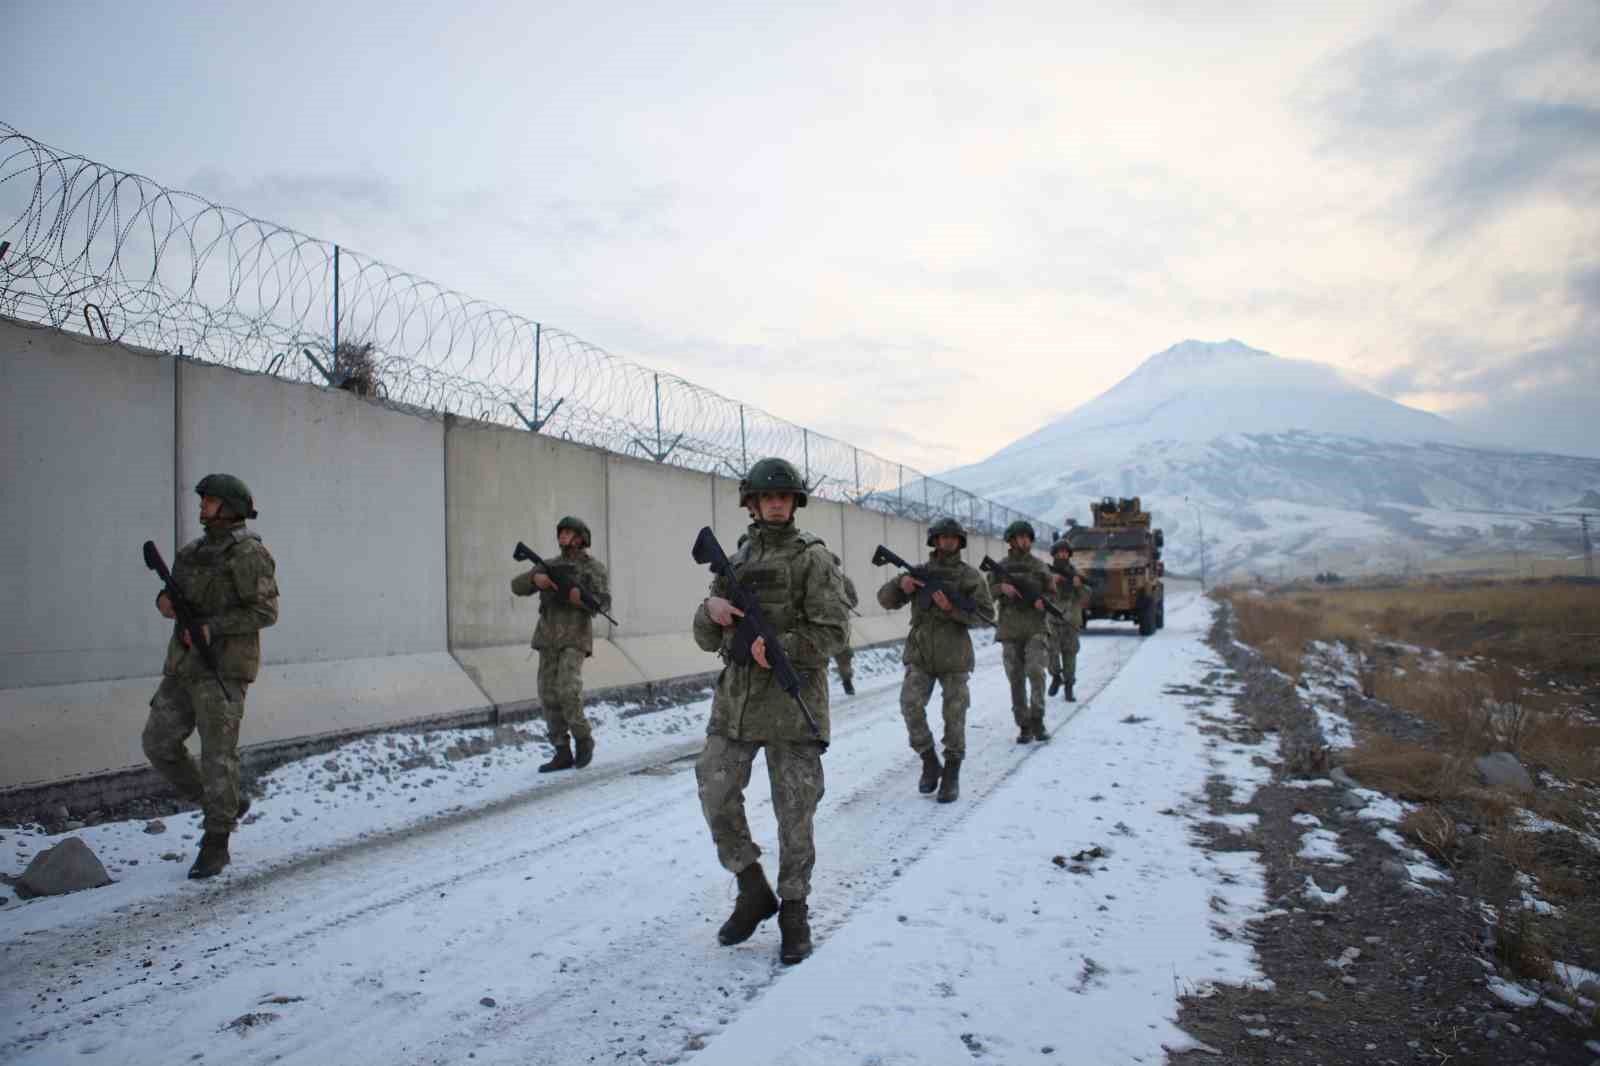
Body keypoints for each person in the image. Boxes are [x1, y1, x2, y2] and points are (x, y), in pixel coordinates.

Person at [692, 458, 848, 965]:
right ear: (752, 503)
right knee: (715, 791)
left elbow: (833, 633)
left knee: (795, 812)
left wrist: (782, 645)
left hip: (791, 707)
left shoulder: (814, 559)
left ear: (795, 503)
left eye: (785, 497)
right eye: (767, 497)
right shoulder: (733, 560)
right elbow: (705, 636)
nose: (777, 503)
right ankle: (752, 886)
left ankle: (794, 908)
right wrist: (709, 611)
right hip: (736, 705)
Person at [143, 474, 278, 879]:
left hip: (223, 669)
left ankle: (216, 841)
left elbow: (265, 612)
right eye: (203, 500)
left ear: (232, 508)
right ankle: (225, 802)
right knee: (158, 743)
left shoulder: (250, 554)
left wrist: (212, 627)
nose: (203, 506)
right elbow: (175, 597)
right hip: (184, 665)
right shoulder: (191, 553)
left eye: (212, 501)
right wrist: (164, 601)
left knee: (219, 756)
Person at [877, 517, 993, 803]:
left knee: (955, 716)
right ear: (934, 540)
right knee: (910, 706)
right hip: (921, 655)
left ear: (960, 542)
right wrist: (902, 587)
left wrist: (951, 608)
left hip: (955, 657)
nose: (947, 542)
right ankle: (929, 761)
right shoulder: (920, 573)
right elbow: (885, 599)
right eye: (942, 537)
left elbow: (986, 617)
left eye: (953, 538)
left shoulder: (970, 577)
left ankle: (951, 772)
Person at [512, 516, 612, 772]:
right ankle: (561, 750)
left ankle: (583, 738)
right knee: (548, 693)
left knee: (567, 689)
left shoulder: (594, 568)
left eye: (568, 532)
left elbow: (603, 602)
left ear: (580, 537)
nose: (563, 536)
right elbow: (517, 585)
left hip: (575, 637)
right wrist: (536, 581)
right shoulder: (548, 565)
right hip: (547, 637)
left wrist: (582, 599)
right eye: (561, 532)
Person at [989, 520, 1052, 743]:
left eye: (1027, 537)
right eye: (1019, 537)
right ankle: (1024, 725)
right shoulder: (1001, 566)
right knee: (1015, 678)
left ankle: (1038, 719)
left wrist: (1043, 602)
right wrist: (1001, 588)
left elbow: (1053, 593)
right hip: (1010, 629)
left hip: (1035, 627)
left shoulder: (1040, 566)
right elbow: (987, 591)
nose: (1024, 541)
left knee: (1036, 671)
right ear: (1011, 540)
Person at [1046, 539, 1089, 702]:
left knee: (1070, 655)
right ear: (1055, 554)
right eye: (1059, 552)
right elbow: (1039, 593)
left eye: (1065, 552)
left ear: (1069, 554)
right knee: (1051, 654)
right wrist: (1050, 582)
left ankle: (1069, 686)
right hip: (1053, 621)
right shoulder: (1047, 574)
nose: (1062, 555)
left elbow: (1085, 598)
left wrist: (1079, 586)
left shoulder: (1077, 574)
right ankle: (1056, 676)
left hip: (1071, 622)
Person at [831, 553, 859, 695]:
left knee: (844, 655)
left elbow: (854, 601)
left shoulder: (844, 582)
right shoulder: (815, 581)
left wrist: (842, 603)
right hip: (818, 624)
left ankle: (847, 682)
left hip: (840, 624)